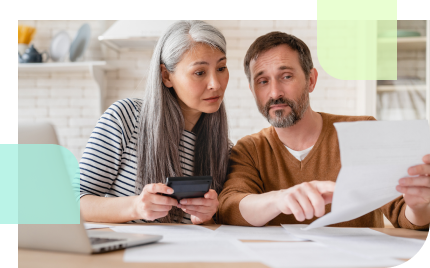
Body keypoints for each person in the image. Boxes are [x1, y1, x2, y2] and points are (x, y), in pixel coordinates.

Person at [218, 31, 430, 230]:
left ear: (311, 80)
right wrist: (280, 199)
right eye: (262, 81)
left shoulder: (362, 132)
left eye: (286, 76)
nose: (274, 92)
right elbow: (230, 206)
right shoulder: (250, 149)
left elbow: (403, 213)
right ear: (253, 91)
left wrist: (418, 206)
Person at [79, 20, 231, 224]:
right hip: (122, 254)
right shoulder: (125, 118)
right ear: (166, 76)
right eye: (200, 72)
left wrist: (206, 219)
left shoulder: (225, 151)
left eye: (221, 68)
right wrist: (136, 207)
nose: (216, 84)